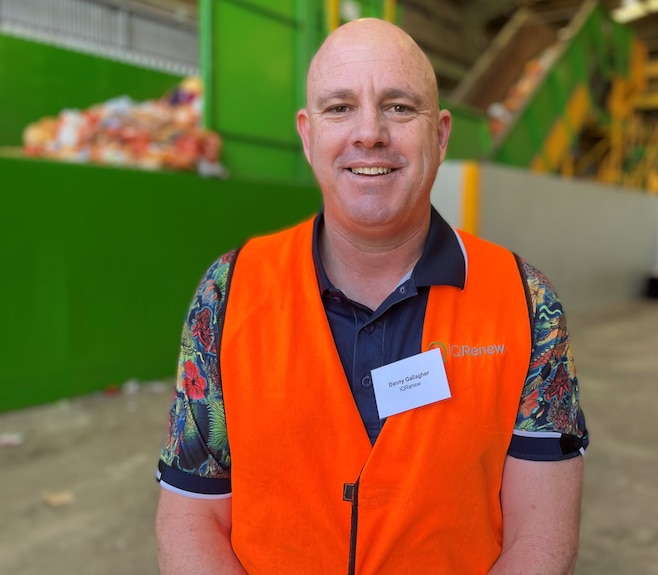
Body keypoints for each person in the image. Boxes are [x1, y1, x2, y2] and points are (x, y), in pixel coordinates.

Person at [154, 18, 588, 575]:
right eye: (340, 108)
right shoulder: (228, 293)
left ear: (441, 133)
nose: (370, 134)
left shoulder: (528, 305)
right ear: (308, 135)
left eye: (399, 107)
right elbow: (193, 520)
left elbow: (540, 541)